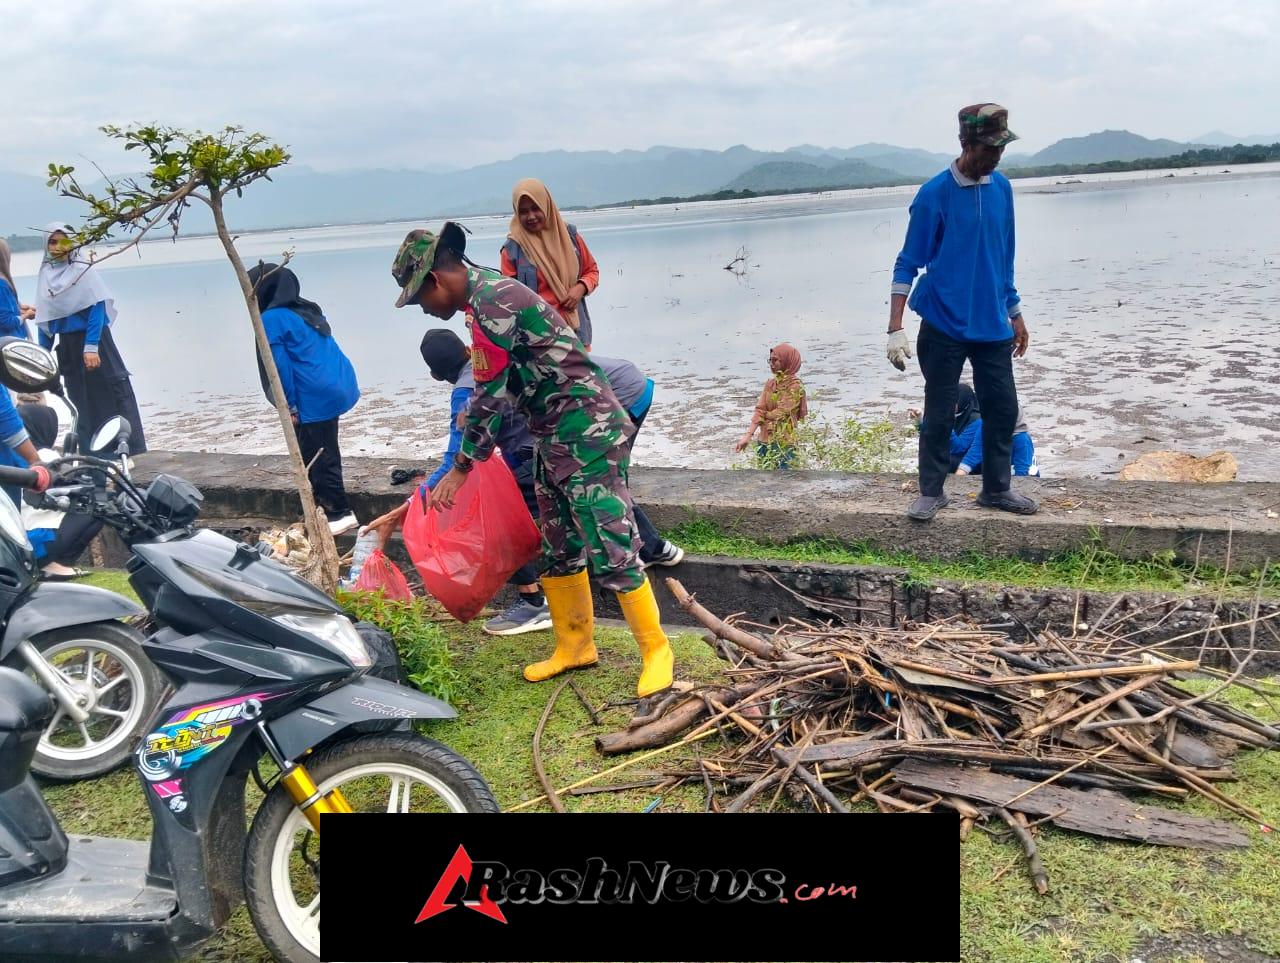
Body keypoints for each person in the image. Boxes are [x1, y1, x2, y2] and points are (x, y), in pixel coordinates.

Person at [392, 223, 673, 699]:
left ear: (435, 282)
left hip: (585, 431)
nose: (422, 307)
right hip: (552, 433)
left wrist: (461, 468)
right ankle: (575, 645)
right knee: (557, 540)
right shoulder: (483, 303)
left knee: (609, 538)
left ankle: (656, 651)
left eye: (419, 298)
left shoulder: (494, 301)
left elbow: (489, 394)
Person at [886, 104, 1037, 521]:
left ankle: (996, 488)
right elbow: (908, 263)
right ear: (965, 143)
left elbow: (1003, 257)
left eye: (1000, 148)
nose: (995, 157)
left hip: (991, 323)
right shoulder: (934, 195)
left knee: (1003, 408)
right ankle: (931, 491)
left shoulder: (1002, 189)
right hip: (942, 322)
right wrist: (894, 329)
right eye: (988, 148)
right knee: (940, 408)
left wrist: (1015, 310)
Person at [248, 263, 361, 536]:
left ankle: (339, 513)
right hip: (335, 384)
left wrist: (290, 406)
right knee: (324, 448)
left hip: (314, 394)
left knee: (319, 455)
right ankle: (323, 508)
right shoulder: (305, 309)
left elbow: (279, 368)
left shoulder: (272, 319)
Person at [34, 224, 147, 455]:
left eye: (63, 241)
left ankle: (130, 451)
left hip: (95, 342)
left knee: (113, 392)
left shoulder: (82, 270)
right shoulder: (45, 277)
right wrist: (41, 359)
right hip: (67, 347)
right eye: (52, 242)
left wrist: (91, 346)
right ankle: (92, 456)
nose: (58, 248)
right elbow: (46, 322)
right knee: (80, 399)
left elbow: (97, 308)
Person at [502, 179, 600, 350]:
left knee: (583, 377)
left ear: (546, 205)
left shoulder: (570, 237)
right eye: (524, 211)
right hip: (538, 340)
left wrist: (580, 288)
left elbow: (591, 271)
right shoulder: (512, 249)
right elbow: (508, 299)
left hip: (575, 332)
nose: (531, 216)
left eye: (535, 208)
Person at [18, 402, 103, 580]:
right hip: (39, 540)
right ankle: (56, 563)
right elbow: (77, 483)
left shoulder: (12, 457)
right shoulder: (45, 457)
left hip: (20, 538)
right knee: (97, 507)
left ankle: (54, 564)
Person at [735, 343, 808, 469]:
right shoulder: (770, 384)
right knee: (765, 484)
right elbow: (760, 409)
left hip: (785, 444)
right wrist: (748, 436)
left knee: (788, 483)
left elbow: (781, 412)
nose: (771, 364)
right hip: (764, 442)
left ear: (786, 361)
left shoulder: (795, 387)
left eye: (775, 360)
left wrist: (765, 415)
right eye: (770, 360)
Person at [0, 238, 36, 339]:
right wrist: (26, 315)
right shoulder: (2, 285)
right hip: (9, 345)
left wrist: (19, 310)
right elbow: (7, 323)